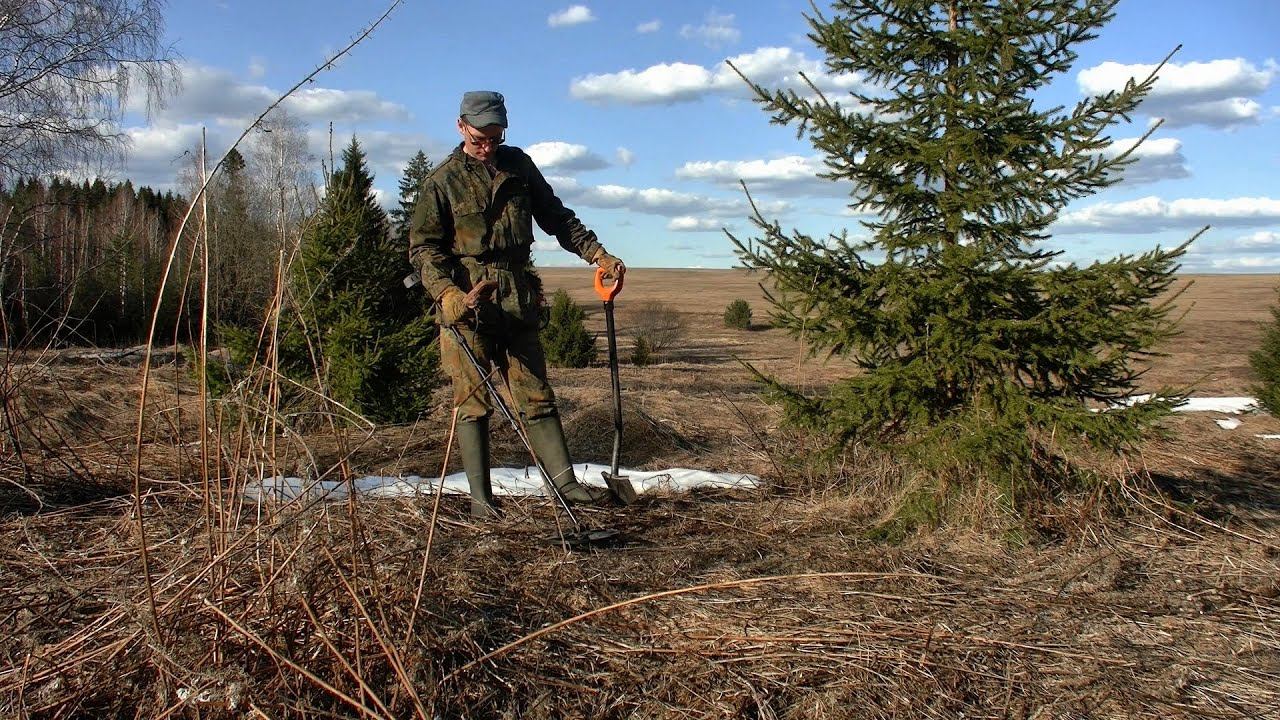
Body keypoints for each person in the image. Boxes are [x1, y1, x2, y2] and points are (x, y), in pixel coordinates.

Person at [409, 90, 626, 518]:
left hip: (519, 297)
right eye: (479, 138)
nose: (488, 145)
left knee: (537, 395)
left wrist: (598, 255)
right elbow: (423, 251)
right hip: (468, 304)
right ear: (460, 127)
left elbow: (556, 217)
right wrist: (450, 296)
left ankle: (564, 485)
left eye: (495, 136)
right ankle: (480, 500)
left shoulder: (519, 166)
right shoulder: (442, 182)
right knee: (473, 402)